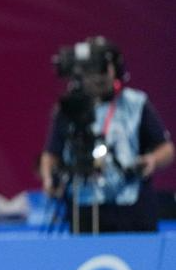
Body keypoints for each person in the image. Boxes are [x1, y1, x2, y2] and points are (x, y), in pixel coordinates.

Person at [40, 37, 173, 234]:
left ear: (115, 69)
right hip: (84, 207)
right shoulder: (68, 109)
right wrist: (49, 179)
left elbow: (167, 149)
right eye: (91, 69)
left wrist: (152, 160)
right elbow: (51, 153)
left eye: (103, 68)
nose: (97, 76)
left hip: (133, 207)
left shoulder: (135, 103)